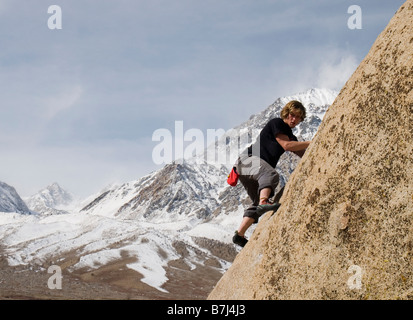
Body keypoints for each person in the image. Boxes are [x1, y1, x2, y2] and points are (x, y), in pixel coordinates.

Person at [232, 100, 311, 247]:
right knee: (271, 175)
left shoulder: (290, 136)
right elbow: (287, 146)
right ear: (286, 114)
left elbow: (302, 152)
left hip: (246, 169)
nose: (294, 119)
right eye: (292, 115)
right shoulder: (277, 123)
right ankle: (264, 202)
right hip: (249, 160)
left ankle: (240, 235)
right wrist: (312, 142)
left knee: (256, 203)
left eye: (298, 117)